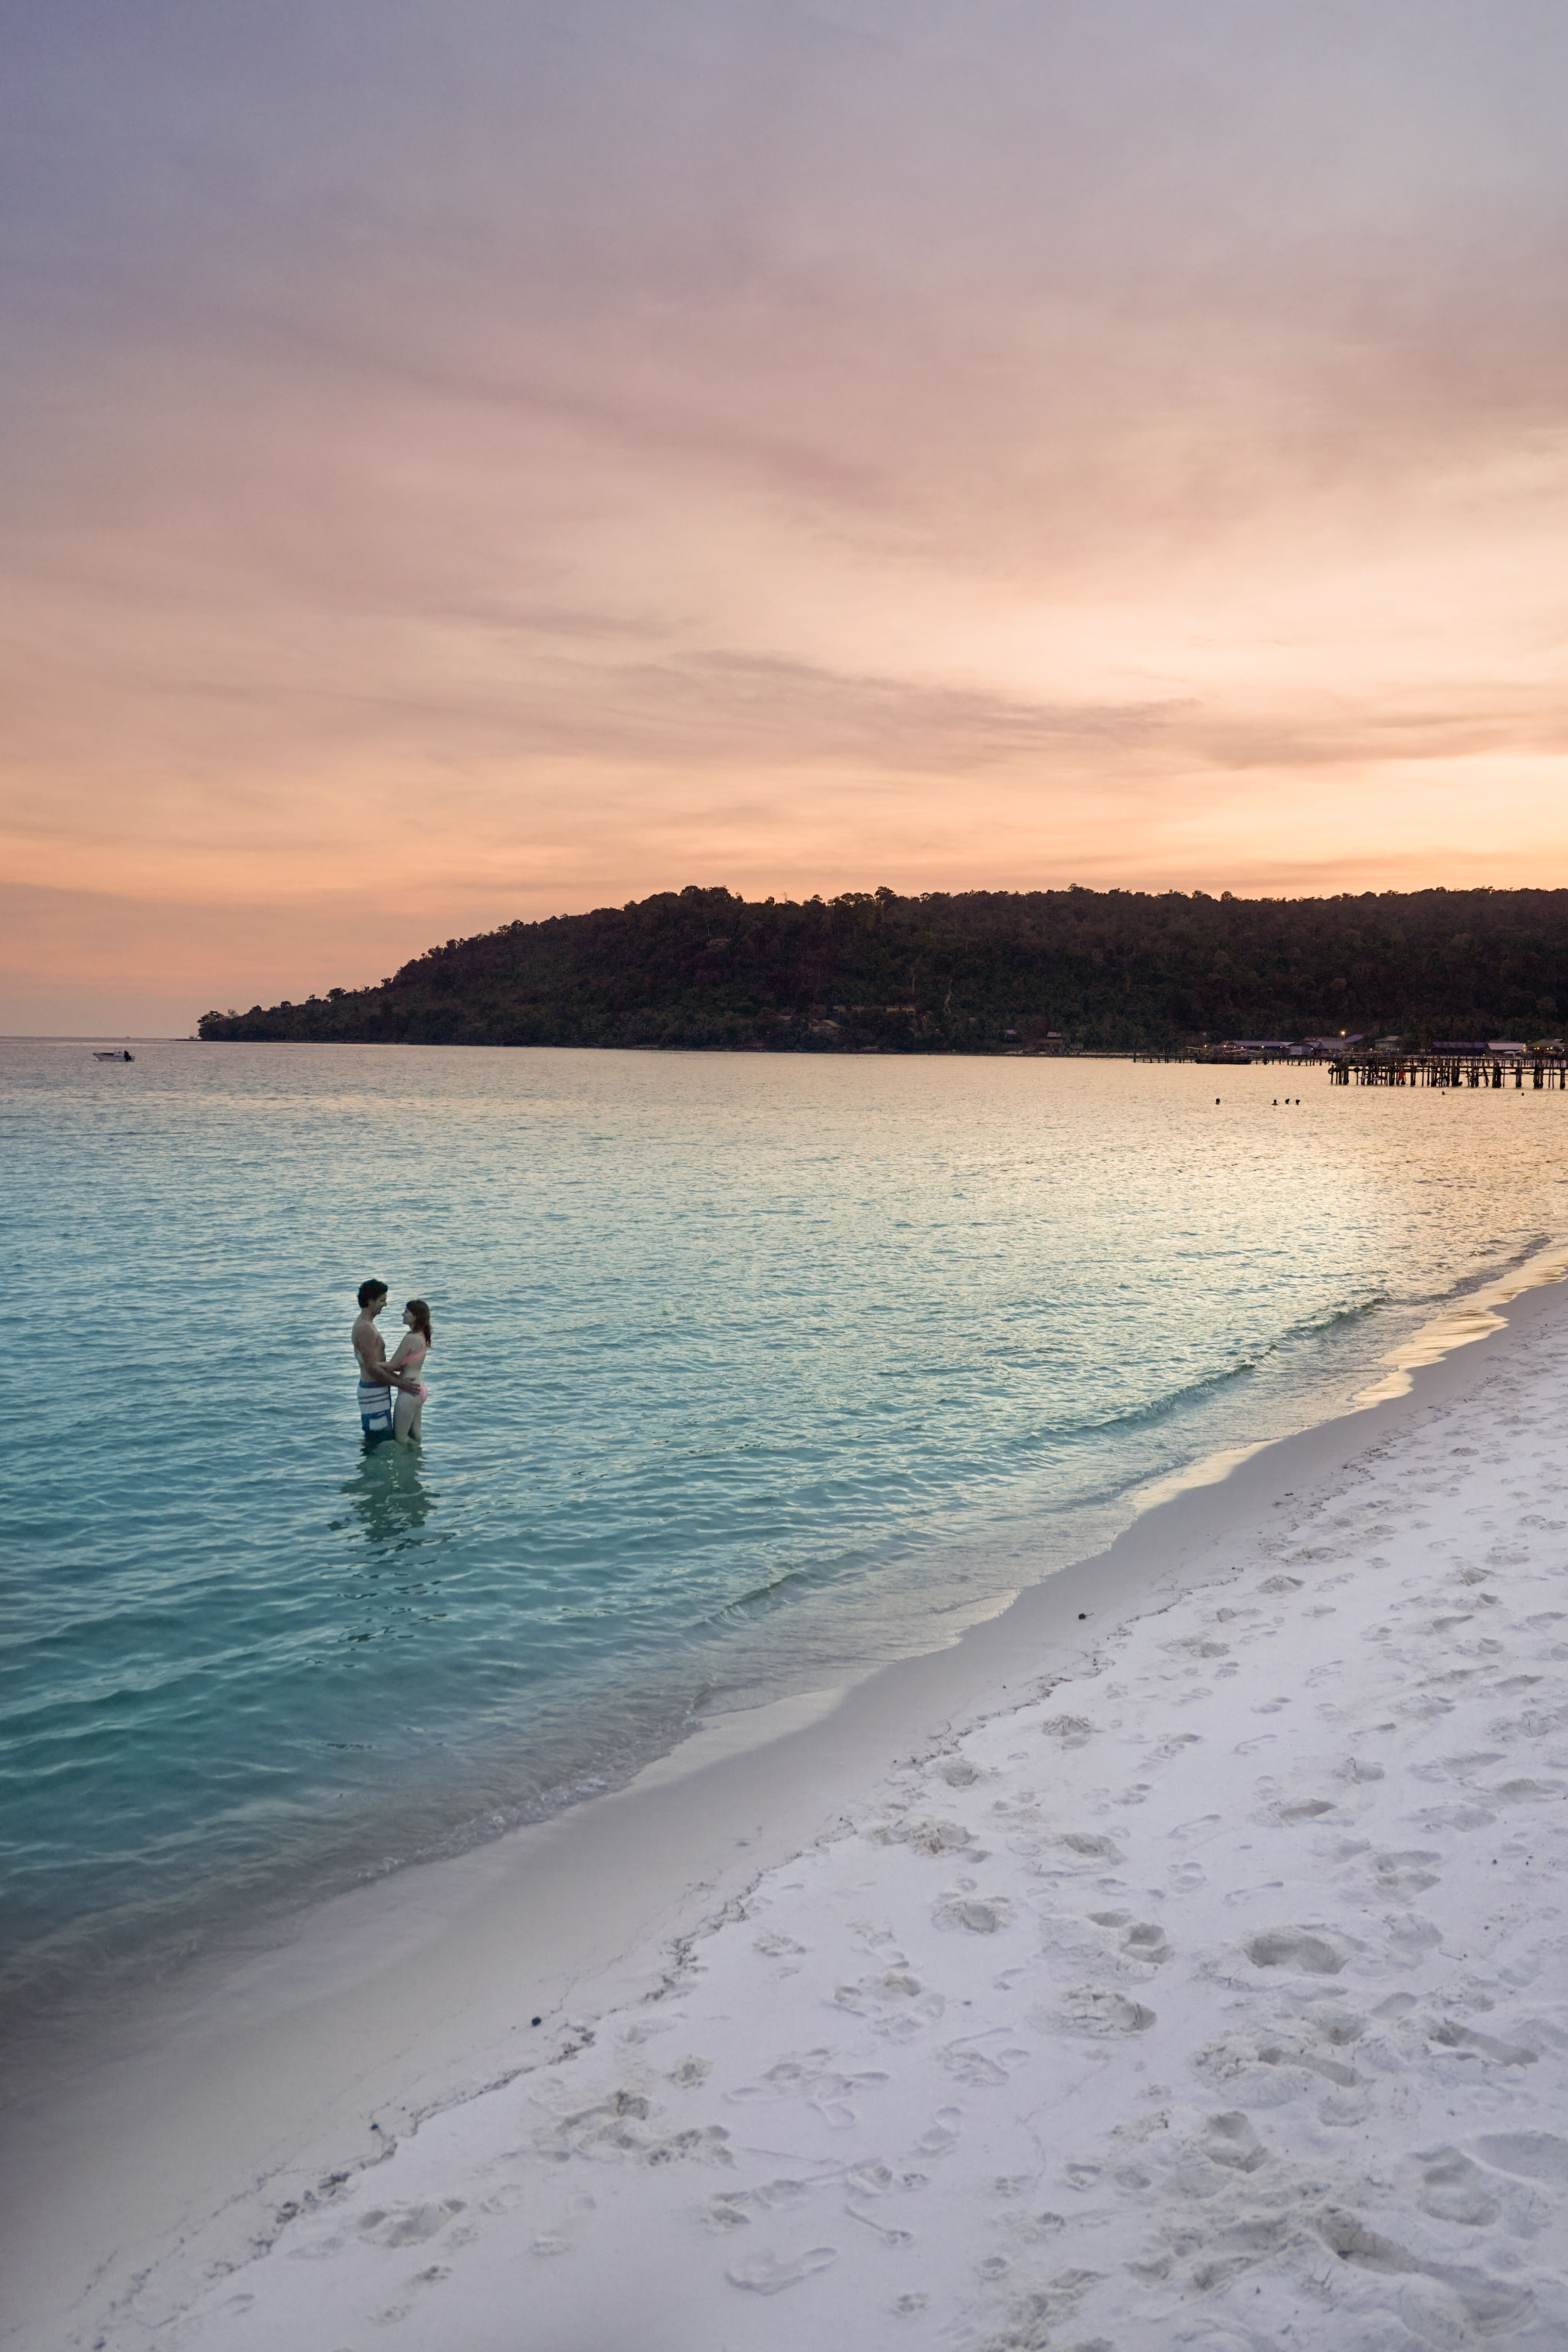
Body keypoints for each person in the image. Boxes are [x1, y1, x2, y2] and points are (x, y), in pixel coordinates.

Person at [351, 1280, 418, 1441]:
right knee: (378, 1440)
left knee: (384, 1438)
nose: (385, 1304)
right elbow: (371, 1368)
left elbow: (376, 1365)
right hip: (372, 1392)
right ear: (369, 1301)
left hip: (377, 1390)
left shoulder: (368, 1325)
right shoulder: (364, 1329)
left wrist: (400, 1378)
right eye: (382, 1300)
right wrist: (401, 1383)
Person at [384, 1298, 433, 1446]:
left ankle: (404, 1465)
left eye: (406, 1312)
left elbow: (392, 1365)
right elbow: (405, 1364)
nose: (402, 1314)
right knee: (416, 1436)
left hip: (409, 1393)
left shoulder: (410, 1338)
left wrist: (370, 1364)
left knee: (400, 1440)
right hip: (420, 1389)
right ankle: (418, 1464)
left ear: (415, 1316)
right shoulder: (422, 1336)